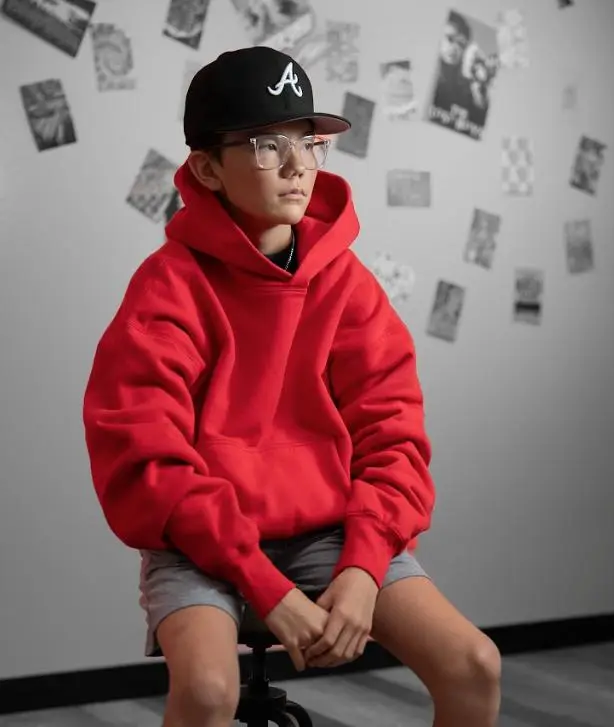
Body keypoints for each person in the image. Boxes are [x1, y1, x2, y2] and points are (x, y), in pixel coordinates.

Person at [82, 46, 501, 727]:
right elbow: (145, 457)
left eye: (308, 142)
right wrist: (263, 584)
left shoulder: (348, 283)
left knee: (474, 664)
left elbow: (393, 435)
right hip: (199, 543)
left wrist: (363, 568)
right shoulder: (167, 288)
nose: (297, 163)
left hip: (329, 532)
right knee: (208, 692)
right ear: (208, 168)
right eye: (265, 145)